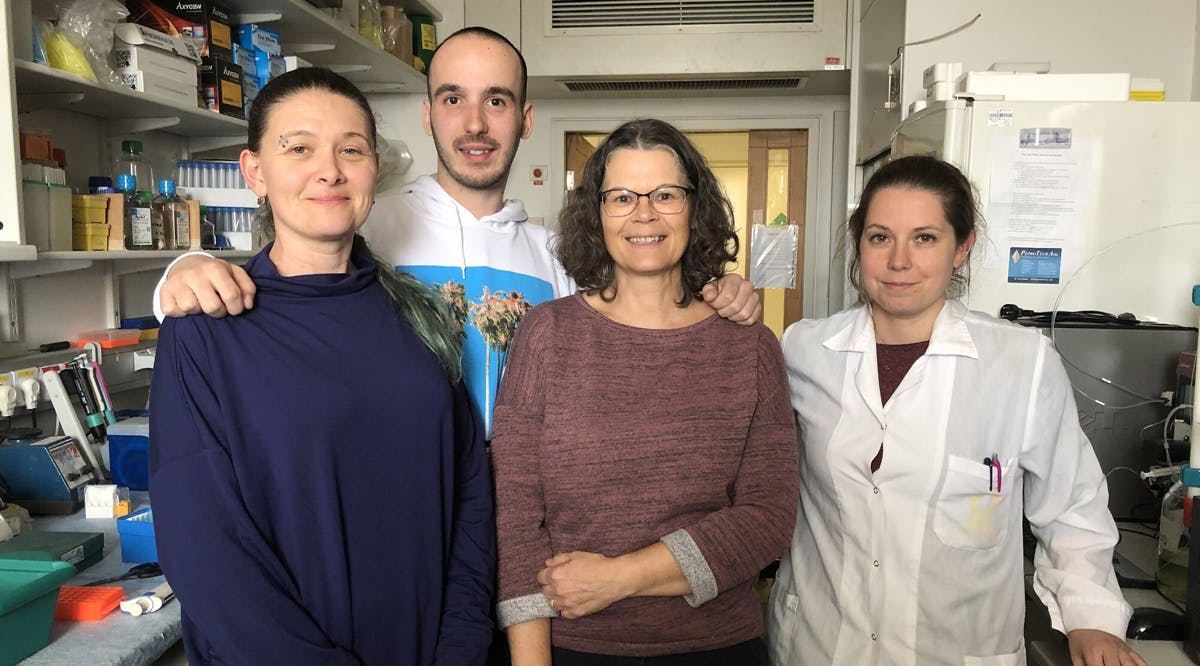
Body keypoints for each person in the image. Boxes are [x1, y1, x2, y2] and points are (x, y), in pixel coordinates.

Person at [151, 26, 761, 438]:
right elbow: (262, 284)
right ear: (428, 114)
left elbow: (643, 313)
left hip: (529, 505)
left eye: (496, 101)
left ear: (524, 120)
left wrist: (722, 294)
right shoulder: (367, 226)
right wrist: (181, 271)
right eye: (452, 99)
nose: (474, 123)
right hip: (405, 497)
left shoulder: (558, 254)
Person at [149, 67, 494, 665]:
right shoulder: (206, 330)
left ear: (372, 171)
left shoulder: (421, 316)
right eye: (299, 147)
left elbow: (469, 497)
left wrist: (461, 649)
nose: (329, 169)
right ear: (254, 171)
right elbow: (206, 550)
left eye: (351, 150)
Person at [767, 155, 1144, 666]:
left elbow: (1071, 507)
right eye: (880, 237)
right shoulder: (804, 351)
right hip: (819, 642)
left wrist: (1092, 623)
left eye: (925, 238)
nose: (899, 261)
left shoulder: (1020, 362)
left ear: (961, 248)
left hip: (956, 649)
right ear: (860, 246)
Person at [491, 118, 799, 665]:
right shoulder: (547, 334)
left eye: (665, 194)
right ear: (597, 212)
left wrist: (618, 578)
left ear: (695, 206)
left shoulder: (749, 347)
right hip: (571, 647)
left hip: (716, 647)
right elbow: (516, 521)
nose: (644, 214)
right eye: (622, 197)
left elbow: (768, 517)